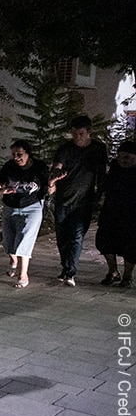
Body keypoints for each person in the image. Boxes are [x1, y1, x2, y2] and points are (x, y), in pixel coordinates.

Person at [49, 115, 108, 286]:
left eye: (81, 134)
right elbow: (57, 165)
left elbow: (101, 173)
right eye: (74, 134)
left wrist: (99, 194)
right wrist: (56, 173)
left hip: (84, 201)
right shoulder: (66, 149)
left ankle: (70, 272)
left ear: (89, 132)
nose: (77, 137)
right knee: (62, 237)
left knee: (76, 236)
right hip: (63, 199)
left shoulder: (98, 148)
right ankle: (65, 267)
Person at [0, 140, 48, 288]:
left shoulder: (39, 167)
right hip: (10, 206)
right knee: (8, 240)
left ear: (28, 154)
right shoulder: (9, 166)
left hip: (32, 206)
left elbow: (46, 185)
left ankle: (23, 274)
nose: (16, 157)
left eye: (19, 154)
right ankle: (13, 260)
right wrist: (0, 189)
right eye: (13, 154)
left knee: (24, 239)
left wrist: (52, 186)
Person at [95, 141, 136, 287]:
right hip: (111, 212)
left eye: (127, 156)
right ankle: (113, 271)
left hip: (132, 216)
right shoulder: (114, 168)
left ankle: (127, 276)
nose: (123, 159)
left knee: (131, 246)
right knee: (104, 242)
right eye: (120, 156)